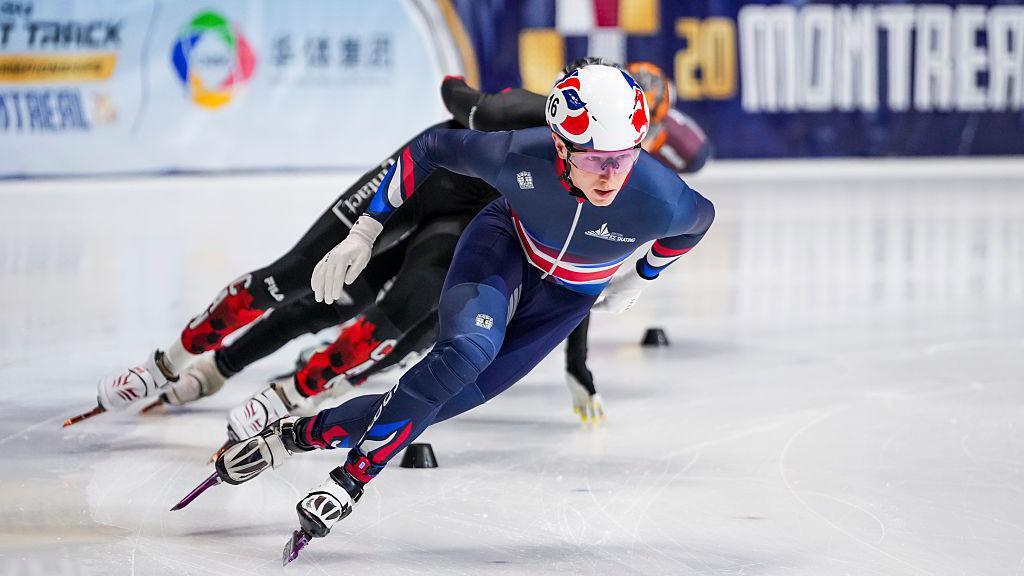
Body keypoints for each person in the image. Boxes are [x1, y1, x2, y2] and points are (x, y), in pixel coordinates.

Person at [210, 63, 714, 544]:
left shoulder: (663, 198)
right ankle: (351, 481)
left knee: (447, 401)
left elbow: (700, 222)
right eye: (592, 159)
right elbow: (431, 147)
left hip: (567, 297)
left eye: (623, 157)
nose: (609, 175)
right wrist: (365, 231)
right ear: (560, 146)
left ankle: (294, 436)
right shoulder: (520, 152)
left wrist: (643, 276)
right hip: (505, 247)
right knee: (466, 353)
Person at [440, 59, 712, 422]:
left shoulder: (677, 150)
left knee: (581, 256)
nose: (617, 151)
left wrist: (576, 362)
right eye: (596, 150)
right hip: (494, 202)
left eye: (634, 138)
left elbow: (579, 265)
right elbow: (459, 101)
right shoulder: (517, 116)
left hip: (560, 223)